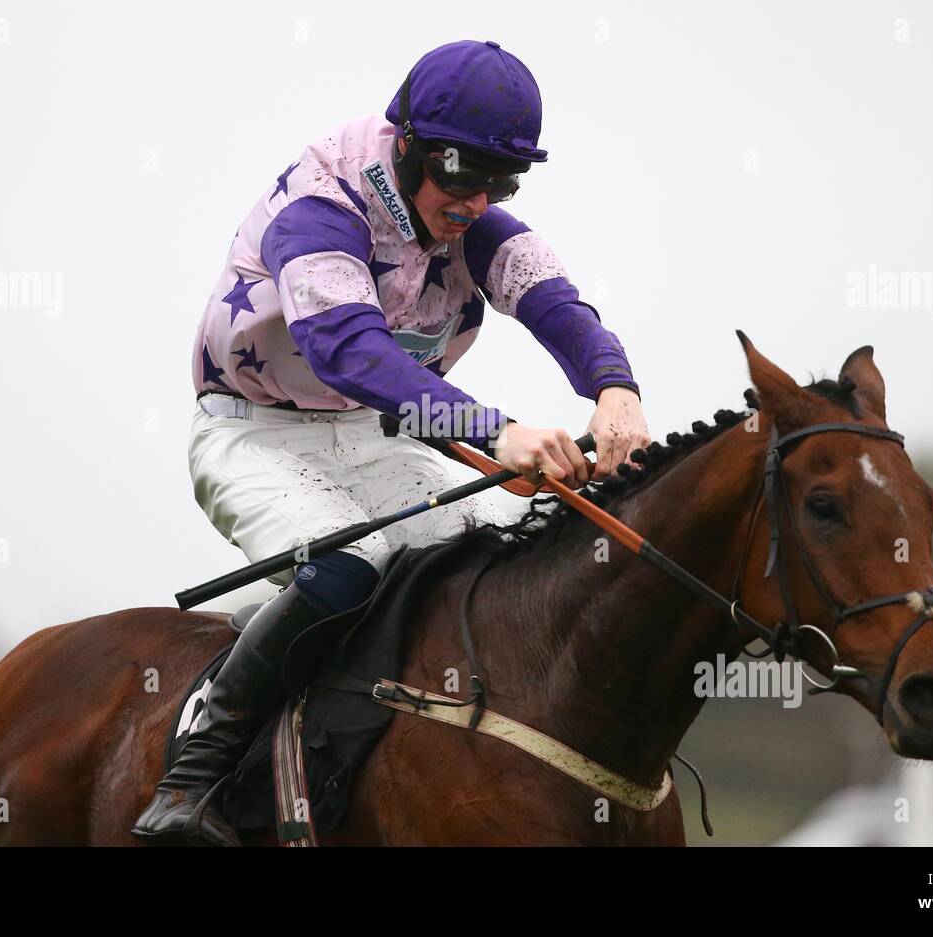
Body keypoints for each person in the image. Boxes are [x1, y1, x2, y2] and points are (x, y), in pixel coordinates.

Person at [132, 39, 650, 846]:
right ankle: (195, 774)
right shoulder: (319, 210)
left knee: (489, 571)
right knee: (347, 571)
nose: (478, 199)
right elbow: (349, 351)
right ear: (406, 144)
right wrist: (495, 430)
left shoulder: (468, 215)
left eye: (501, 181)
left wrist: (615, 387)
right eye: (462, 173)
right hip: (254, 432)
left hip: (368, 434)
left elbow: (553, 299)